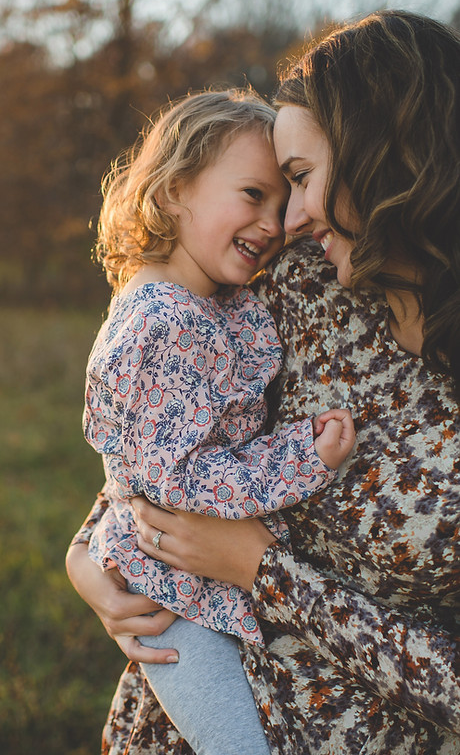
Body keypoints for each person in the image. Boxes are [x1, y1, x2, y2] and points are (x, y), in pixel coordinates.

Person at [66, 10, 460, 755]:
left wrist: (266, 573)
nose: (290, 219)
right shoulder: (302, 286)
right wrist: (89, 552)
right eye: (276, 188)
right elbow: (170, 436)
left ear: (393, 160)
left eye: (302, 180)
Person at [78, 87, 355, 755]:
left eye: (282, 199)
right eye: (253, 195)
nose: (274, 221)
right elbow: (179, 481)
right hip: (171, 599)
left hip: (193, 579)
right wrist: (302, 458)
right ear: (174, 190)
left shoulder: (211, 301)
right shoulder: (161, 324)